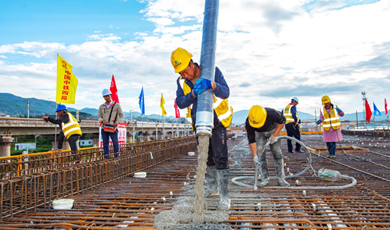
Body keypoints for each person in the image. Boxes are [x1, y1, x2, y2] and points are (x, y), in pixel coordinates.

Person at [171, 47, 233, 210]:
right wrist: (193, 94)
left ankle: (225, 197)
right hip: (199, 121)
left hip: (217, 120)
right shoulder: (181, 82)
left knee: (220, 156)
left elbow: (226, 92)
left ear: (192, 63)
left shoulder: (212, 71)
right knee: (208, 157)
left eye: (185, 71)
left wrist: (212, 85)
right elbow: (180, 102)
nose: (184, 75)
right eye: (181, 73)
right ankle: (212, 188)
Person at [245, 105, 290, 187]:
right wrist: (255, 156)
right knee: (260, 155)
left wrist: (275, 135)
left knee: (277, 153)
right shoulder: (249, 122)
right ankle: (265, 179)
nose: (258, 126)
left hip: (273, 130)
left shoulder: (272, 113)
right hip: (259, 134)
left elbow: (283, 121)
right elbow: (251, 140)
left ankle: (281, 179)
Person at [98, 89, 124, 159]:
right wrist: (102, 120)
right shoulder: (101, 106)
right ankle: (107, 158)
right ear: (103, 97)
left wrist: (117, 122)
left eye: (108, 96)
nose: (107, 97)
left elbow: (122, 116)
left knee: (115, 144)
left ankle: (116, 158)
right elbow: (99, 117)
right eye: (105, 96)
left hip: (113, 128)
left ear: (111, 95)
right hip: (105, 128)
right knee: (105, 144)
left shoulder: (116, 105)